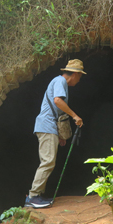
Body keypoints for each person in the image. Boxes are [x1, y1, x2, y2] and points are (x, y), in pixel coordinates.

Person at [25, 59, 86, 208]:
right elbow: (57, 101)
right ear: (75, 74)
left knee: (48, 161)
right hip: (46, 126)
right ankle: (33, 196)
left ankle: (38, 195)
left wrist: (59, 134)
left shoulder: (59, 82)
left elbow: (55, 109)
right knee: (48, 161)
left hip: (49, 127)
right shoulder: (60, 81)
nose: (80, 79)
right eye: (80, 76)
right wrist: (74, 116)